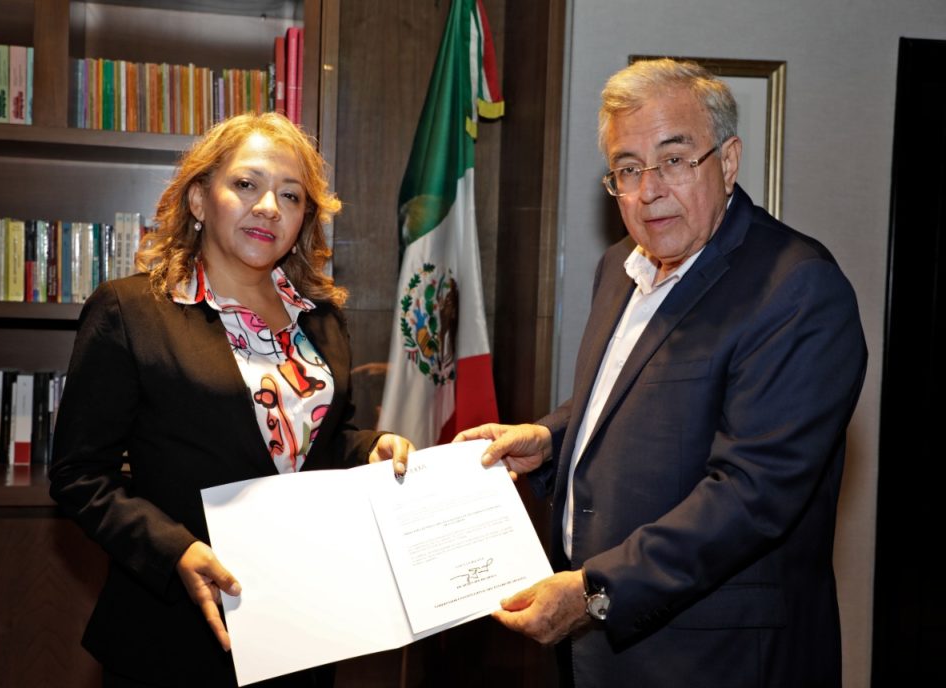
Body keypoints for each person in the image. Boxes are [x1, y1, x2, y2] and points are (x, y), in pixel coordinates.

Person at [456, 58, 866, 687]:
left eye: (674, 160)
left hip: (716, 661)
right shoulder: (620, 266)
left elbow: (752, 494)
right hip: (601, 655)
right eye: (627, 168)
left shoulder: (797, 288)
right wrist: (550, 440)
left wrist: (595, 590)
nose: (648, 191)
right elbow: (633, 398)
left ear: (728, 162)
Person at [50, 112, 414, 688]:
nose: (269, 207)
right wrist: (174, 551)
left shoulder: (321, 320)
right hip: (175, 632)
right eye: (246, 184)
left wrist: (371, 447)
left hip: (303, 623)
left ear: (303, 219)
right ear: (199, 199)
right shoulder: (130, 311)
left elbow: (317, 445)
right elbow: (79, 475)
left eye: (290, 195)